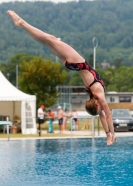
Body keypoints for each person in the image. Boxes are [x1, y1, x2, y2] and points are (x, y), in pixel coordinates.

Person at [7, 10, 116, 145]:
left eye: (100, 110)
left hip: (78, 63)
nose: (102, 112)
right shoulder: (95, 96)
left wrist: (111, 135)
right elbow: (104, 117)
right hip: (71, 65)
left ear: (97, 104)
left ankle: (21, 22)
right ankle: (21, 23)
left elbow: (108, 116)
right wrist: (109, 135)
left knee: (49, 39)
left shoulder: (99, 95)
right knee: (47, 41)